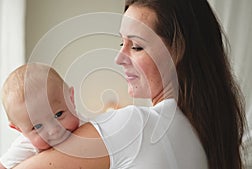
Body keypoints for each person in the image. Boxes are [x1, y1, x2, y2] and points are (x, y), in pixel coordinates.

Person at [13, 0, 247, 169]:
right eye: (121, 43)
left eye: (135, 46)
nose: (119, 58)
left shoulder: (135, 126)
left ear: (178, 51)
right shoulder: (207, 136)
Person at [0, 63, 80, 169]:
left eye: (58, 114)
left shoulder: (88, 127)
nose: (53, 130)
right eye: (37, 127)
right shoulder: (26, 146)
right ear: (19, 130)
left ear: (71, 99)